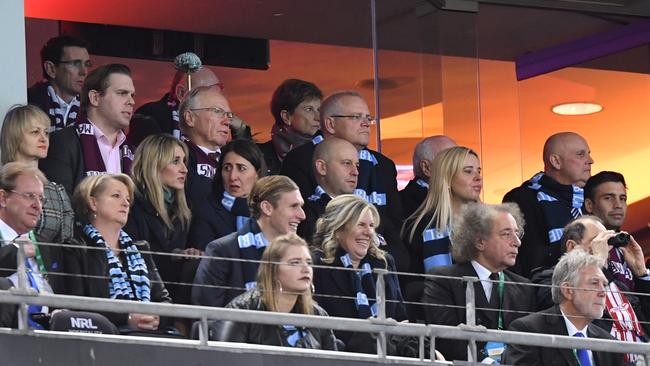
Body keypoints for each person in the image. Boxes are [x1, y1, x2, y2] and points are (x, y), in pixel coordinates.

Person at [280, 90, 407, 272]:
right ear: (330, 124)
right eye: (356, 117)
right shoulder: (300, 159)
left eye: (368, 118)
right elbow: (303, 224)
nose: (366, 123)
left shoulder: (384, 166)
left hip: (381, 267)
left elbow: (394, 228)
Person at [423, 202, 534, 363]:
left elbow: (529, 346)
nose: (517, 242)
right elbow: (446, 340)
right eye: (506, 234)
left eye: (517, 234)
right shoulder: (443, 280)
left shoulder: (524, 288)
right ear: (480, 242)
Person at [531, 215, 650, 364]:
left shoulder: (618, 285)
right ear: (572, 247)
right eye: (597, 242)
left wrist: (641, 274)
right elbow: (563, 313)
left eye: (607, 242)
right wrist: (598, 263)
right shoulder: (548, 279)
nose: (606, 248)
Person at [67, 174, 171, 330]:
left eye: (128, 199)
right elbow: (78, 306)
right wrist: (126, 319)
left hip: (148, 335)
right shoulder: (76, 248)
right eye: (116, 196)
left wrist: (155, 318)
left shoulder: (140, 249)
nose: (125, 203)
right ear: (93, 203)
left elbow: (164, 301)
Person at [311, 194, 407, 354]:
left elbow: (401, 318)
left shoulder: (384, 262)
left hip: (386, 355)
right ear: (338, 228)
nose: (368, 232)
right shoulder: (317, 264)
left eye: (371, 226)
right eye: (361, 225)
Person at [192, 175, 305, 307]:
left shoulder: (303, 256)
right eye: (293, 206)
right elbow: (207, 314)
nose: (302, 215)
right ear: (267, 208)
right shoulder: (223, 251)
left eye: (301, 206)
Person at [401, 146, 482, 321]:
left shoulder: (491, 224)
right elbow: (411, 287)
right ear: (446, 177)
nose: (478, 177)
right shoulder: (416, 227)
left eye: (479, 170)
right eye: (468, 171)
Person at [502, 250, 623, 366]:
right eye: (594, 283)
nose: (603, 292)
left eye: (605, 285)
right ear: (568, 290)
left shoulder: (609, 342)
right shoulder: (529, 330)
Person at [219, 233, 337, 349]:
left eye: (309, 263)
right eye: (295, 262)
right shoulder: (242, 310)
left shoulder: (318, 315)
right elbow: (224, 359)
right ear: (273, 270)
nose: (306, 269)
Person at [503, 131, 594, 277]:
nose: (590, 160)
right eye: (580, 154)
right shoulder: (523, 198)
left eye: (588, 153)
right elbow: (527, 256)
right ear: (556, 161)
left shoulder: (589, 199)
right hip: (545, 290)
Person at [39, 63, 136, 196]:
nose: (131, 101)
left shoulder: (134, 154)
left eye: (132, 95)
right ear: (95, 98)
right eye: (122, 93)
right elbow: (60, 208)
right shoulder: (62, 143)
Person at [125, 134, 198, 305]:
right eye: (175, 161)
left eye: (184, 161)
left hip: (174, 298)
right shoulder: (130, 205)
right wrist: (174, 256)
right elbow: (134, 260)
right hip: (142, 299)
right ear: (154, 165)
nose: (184, 169)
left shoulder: (184, 210)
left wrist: (188, 254)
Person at [1, 105, 74, 246]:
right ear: (14, 136)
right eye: (35, 132)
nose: (43, 139)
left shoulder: (57, 191)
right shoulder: (2, 183)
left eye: (46, 133)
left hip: (46, 266)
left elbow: (67, 246)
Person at [0, 162, 56, 328]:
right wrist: (16, 251)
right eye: (29, 196)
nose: (37, 206)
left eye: (40, 199)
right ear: (3, 198)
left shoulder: (44, 244)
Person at [187, 139, 266, 249]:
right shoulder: (206, 210)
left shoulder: (270, 211)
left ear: (257, 174)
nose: (232, 177)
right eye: (227, 168)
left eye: (241, 168)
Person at [131, 63, 223, 141]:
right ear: (181, 93)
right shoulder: (150, 116)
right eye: (210, 95)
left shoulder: (216, 127)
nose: (217, 104)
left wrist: (237, 130)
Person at [178, 85, 233, 200]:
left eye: (229, 115)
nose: (227, 121)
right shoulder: (177, 158)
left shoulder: (234, 157)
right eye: (217, 111)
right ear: (190, 118)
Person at [297, 137, 359, 240]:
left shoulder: (363, 209)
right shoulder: (304, 214)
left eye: (357, 165)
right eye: (347, 163)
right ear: (322, 167)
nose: (355, 172)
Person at [258, 79, 323, 175]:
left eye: (319, 110)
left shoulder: (327, 152)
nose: (318, 117)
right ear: (286, 116)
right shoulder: (259, 156)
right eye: (309, 109)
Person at [27, 36, 90, 130]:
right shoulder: (28, 103)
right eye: (76, 64)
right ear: (51, 69)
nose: (84, 72)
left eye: (87, 64)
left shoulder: (93, 108)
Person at [400, 135, 456, 220]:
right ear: (426, 167)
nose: (459, 166)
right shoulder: (400, 205)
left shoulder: (466, 199)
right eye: (450, 160)